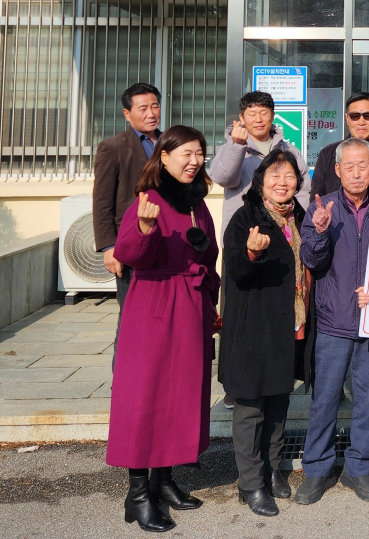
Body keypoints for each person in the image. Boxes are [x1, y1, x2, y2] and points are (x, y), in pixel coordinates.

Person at [105, 125, 220, 533]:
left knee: (179, 395)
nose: (195, 161)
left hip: (191, 306)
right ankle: (137, 493)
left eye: (200, 153)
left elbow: (208, 254)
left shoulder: (196, 202)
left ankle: (164, 480)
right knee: (145, 396)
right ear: (164, 157)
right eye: (186, 153)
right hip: (154, 306)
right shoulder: (148, 199)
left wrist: (211, 300)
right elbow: (129, 255)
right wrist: (144, 228)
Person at [295, 137, 369, 506]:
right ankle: (317, 469)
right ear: (337, 170)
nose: (356, 173)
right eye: (348, 166)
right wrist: (320, 232)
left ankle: (358, 467)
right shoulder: (321, 206)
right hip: (333, 319)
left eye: (362, 165)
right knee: (325, 398)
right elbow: (311, 260)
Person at [220, 148, 312, 518]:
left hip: (288, 323)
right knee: (250, 406)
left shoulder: (299, 215)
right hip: (253, 327)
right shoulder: (246, 217)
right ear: (260, 181)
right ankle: (250, 482)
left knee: (278, 400)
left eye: (289, 176)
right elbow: (235, 271)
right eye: (275, 175)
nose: (282, 182)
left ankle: (273, 469)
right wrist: (251, 255)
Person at [92, 83, 163, 342]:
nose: (151, 113)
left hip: (168, 240)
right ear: (127, 113)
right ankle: (123, 368)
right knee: (132, 315)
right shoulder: (112, 148)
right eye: (143, 108)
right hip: (132, 241)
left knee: (163, 315)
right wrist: (109, 247)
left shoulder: (170, 143)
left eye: (155, 106)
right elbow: (102, 202)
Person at [208, 90, 310, 238]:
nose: (258, 119)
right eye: (252, 114)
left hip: (285, 234)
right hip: (242, 232)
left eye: (264, 113)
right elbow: (224, 179)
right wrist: (236, 146)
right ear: (242, 118)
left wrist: (301, 226)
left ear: (272, 116)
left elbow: (303, 191)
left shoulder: (290, 151)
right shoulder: (229, 148)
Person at [311, 92, 369, 208]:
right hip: (336, 219)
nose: (361, 122)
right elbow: (317, 200)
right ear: (347, 118)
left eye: (368, 116)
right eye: (355, 116)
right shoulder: (328, 154)